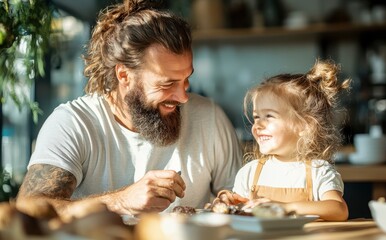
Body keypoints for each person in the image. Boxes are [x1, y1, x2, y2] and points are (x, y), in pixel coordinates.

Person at [16, 0, 242, 221]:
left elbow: (241, 204)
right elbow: (30, 208)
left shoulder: (209, 118)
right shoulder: (74, 123)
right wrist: (121, 201)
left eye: (186, 80)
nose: (183, 97)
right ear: (124, 75)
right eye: (166, 84)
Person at [216, 59, 350, 221]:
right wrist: (230, 202)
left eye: (269, 116)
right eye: (257, 117)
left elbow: (338, 209)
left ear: (304, 126)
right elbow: (240, 211)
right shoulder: (249, 172)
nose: (257, 125)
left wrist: (284, 206)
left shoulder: (318, 171)